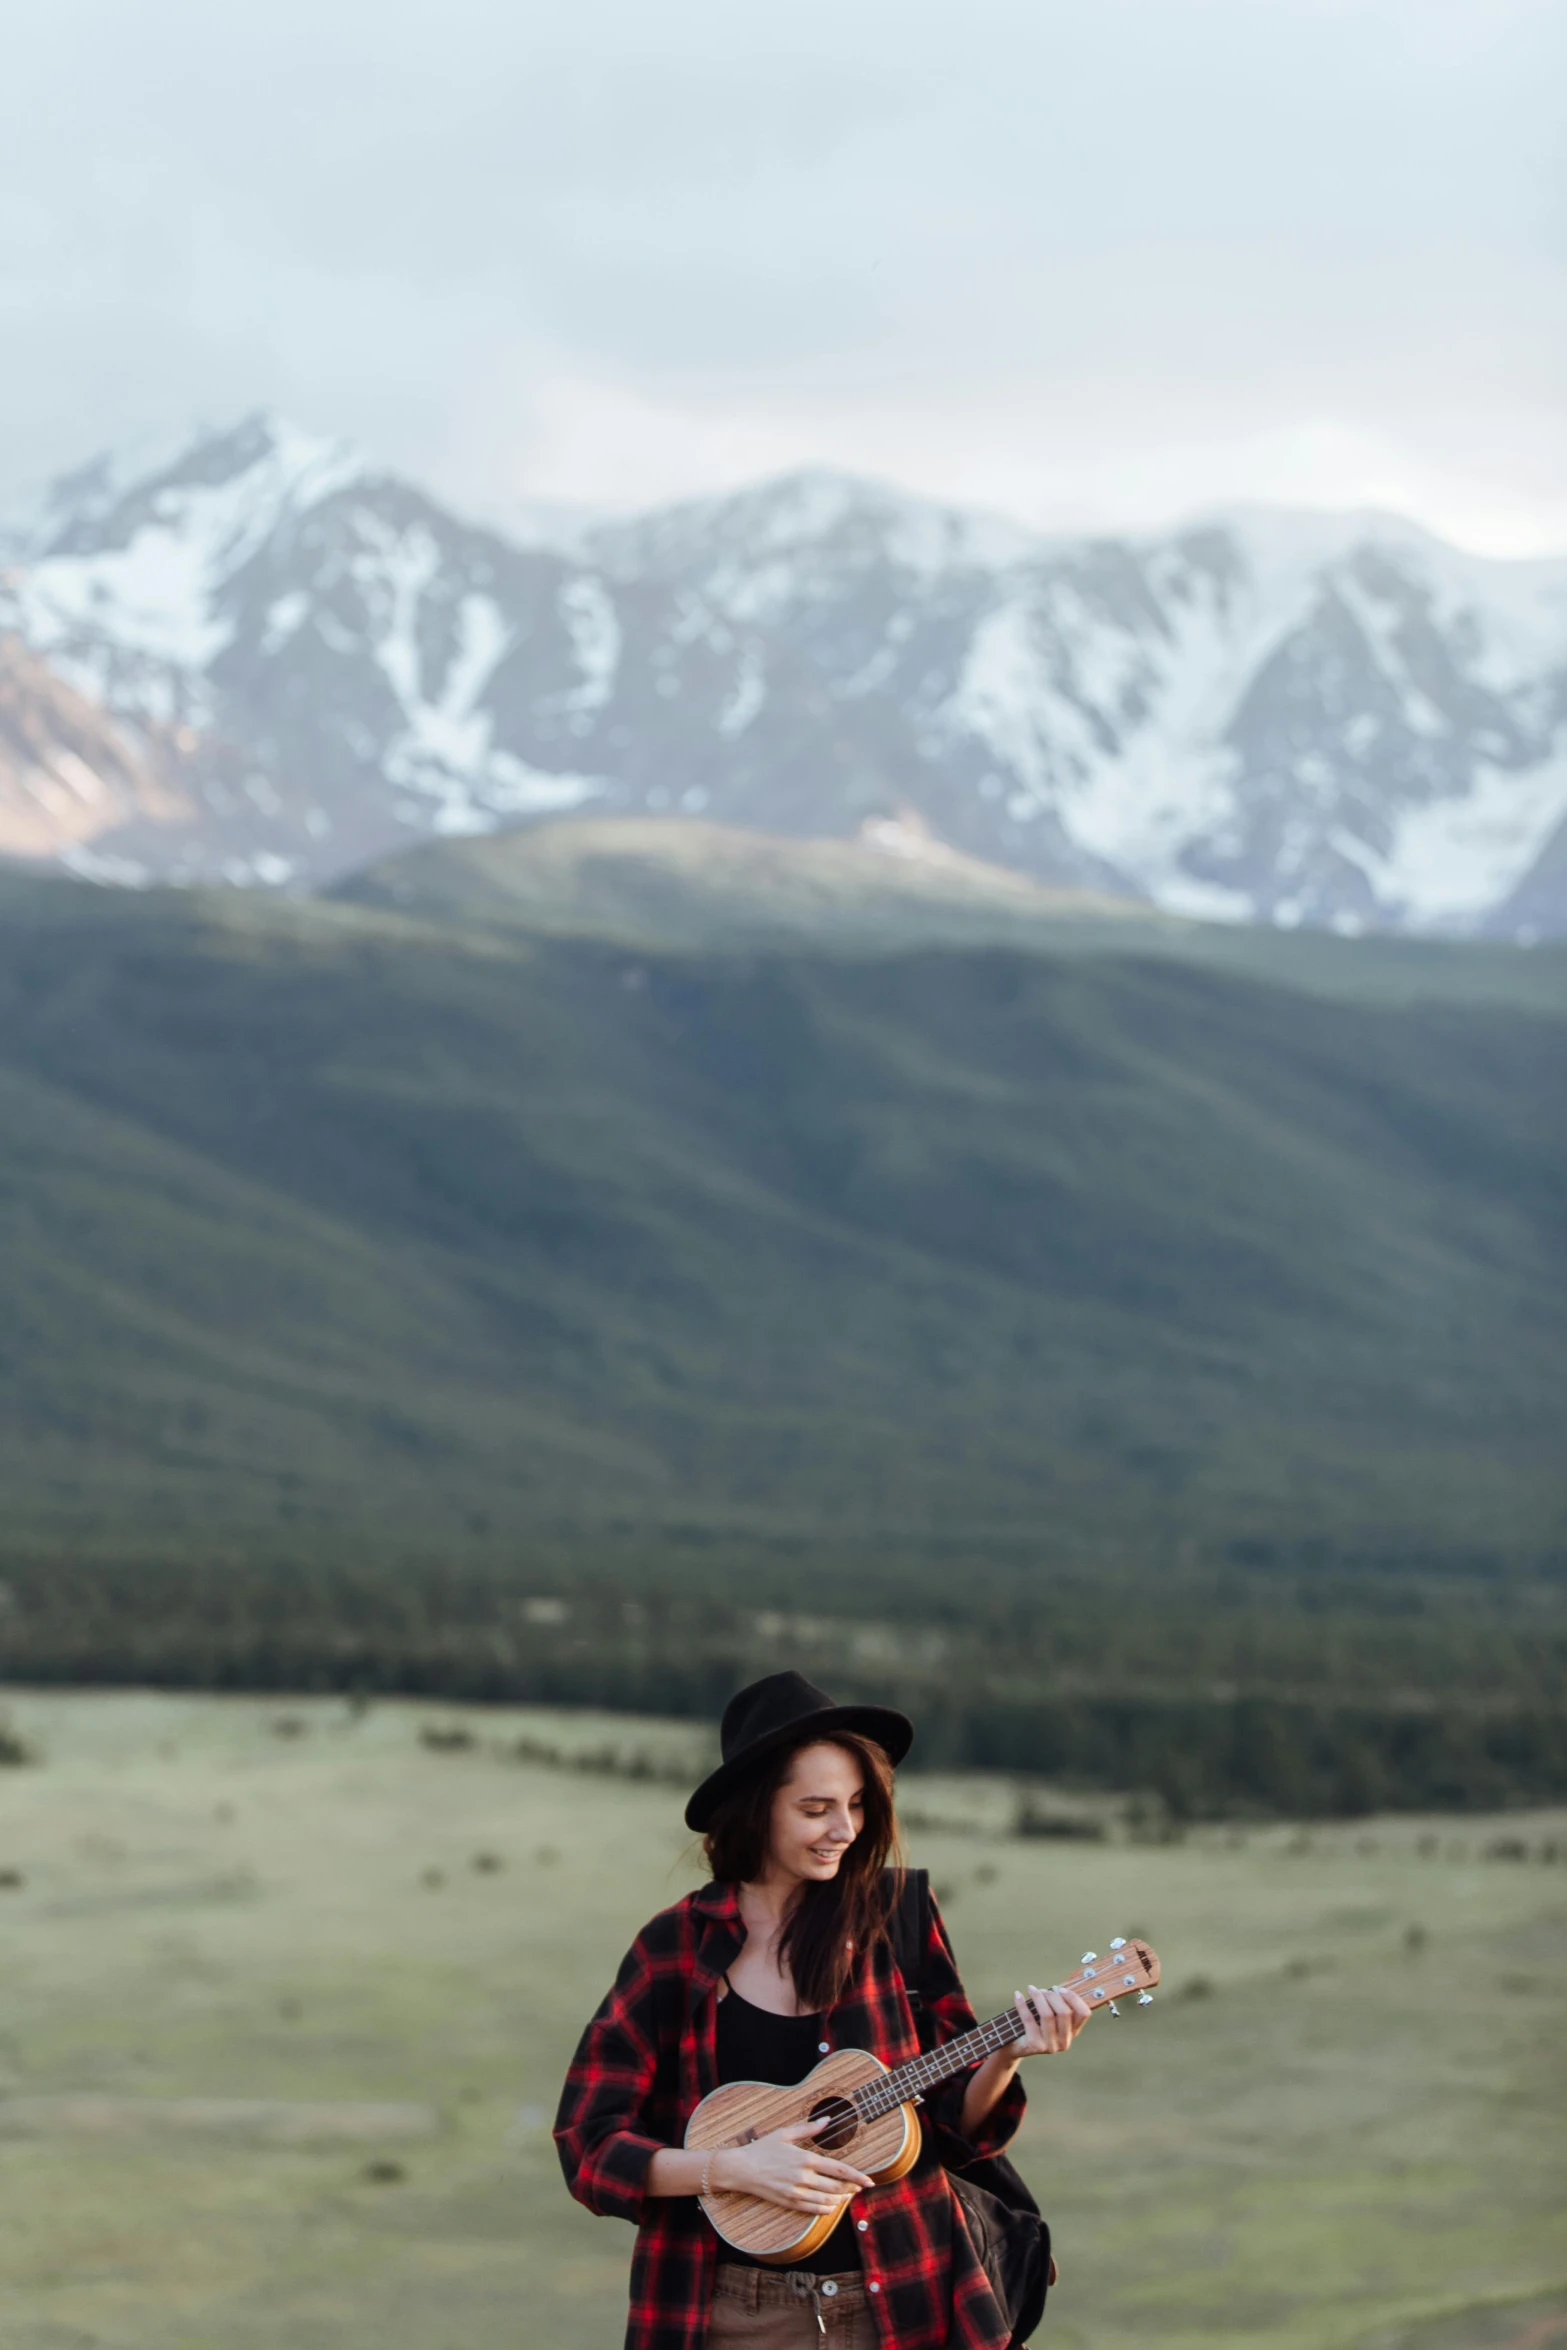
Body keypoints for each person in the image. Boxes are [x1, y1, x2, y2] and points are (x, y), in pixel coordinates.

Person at [555, 1670, 1091, 2348]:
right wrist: (730, 2169)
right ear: (754, 1809)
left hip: (906, 2298)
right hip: (732, 2314)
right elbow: (588, 2146)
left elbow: (954, 2125)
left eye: (858, 1804)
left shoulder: (896, 1919)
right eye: (815, 1809)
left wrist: (1006, 2057)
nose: (844, 1829)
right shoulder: (674, 1948)